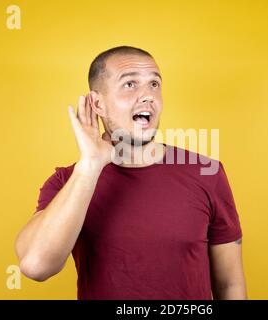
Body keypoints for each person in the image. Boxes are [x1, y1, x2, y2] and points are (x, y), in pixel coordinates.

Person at [15, 46, 247, 300]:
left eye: (154, 84)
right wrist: (91, 165)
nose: (147, 96)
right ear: (97, 103)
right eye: (130, 85)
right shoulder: (68, 181)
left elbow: (229, 286)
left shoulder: (207, 173)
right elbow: (36, 266)